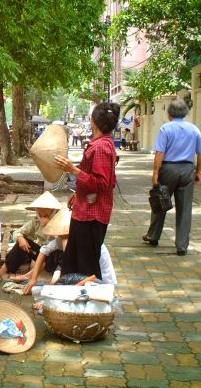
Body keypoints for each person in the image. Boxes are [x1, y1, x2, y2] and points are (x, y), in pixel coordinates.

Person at [53, 101, 120, 280]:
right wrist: (78, 194)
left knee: (87, 266)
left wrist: (72, 170)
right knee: (74, 261)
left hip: (93, 215)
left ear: (93, 121)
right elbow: (93, 176)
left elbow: (102, 183)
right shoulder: (99, 144)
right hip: (84, 211)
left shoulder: (101, 147)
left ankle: (91, 301)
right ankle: (74, 301)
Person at [142, 98, 201, 256]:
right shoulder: (194, 129)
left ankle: (153, 236)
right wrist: (198, 172)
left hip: (168, 169)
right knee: (185, 208)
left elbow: (159, 153)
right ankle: (182, 245)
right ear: (185, 113)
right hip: (187, 169)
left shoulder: (166, 129)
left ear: (169, 113)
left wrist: (155, 173)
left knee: (161, 200)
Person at [14, 206, 117, 295]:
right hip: (83, 279)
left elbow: (88, 277)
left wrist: (55, 290)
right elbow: (43, 252)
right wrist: (33, 278)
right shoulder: (61, 239)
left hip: (101, 283)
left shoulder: (88, 244)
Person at [0, 191, 61, 278]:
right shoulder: (36, 221)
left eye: (44, 209)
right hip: (41, 252)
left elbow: (62, 240)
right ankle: (4, 270)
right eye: (38, 209)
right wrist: (20, 238)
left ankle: (28, 275)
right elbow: (18, 232)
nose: (40, 212)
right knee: (21, 242)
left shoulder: (60, 220)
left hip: (55, 255)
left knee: (53, 253)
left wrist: (49, 225)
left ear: (52, 210)